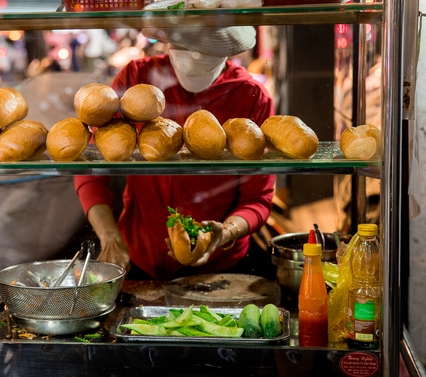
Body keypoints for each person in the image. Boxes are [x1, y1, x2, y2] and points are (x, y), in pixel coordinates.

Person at [74, 25, 276, 280]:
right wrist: (109, 236)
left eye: (204, 48)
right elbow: (91, 167)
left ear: (227, 51)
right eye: (184, 45)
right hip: (138, 255)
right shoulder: (138, 78)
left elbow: (258, 197)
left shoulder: (251, 95)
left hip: (219, 268)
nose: (192, 55)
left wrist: (225, 232)